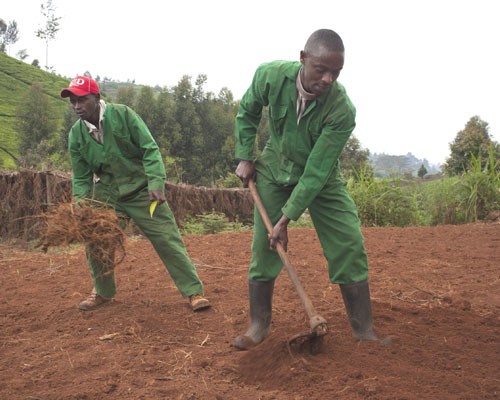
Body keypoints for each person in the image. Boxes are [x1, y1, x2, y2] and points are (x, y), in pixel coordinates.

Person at [233, 29, 382, 349]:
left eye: (336, 72)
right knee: (264, 245)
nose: (329, 79)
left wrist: (286, 219)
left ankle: (363, 330)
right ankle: (258, 324)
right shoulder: (270, 76)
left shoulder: (342, 109)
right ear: (303, 58)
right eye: (321, 69)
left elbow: (316, 172)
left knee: (348, 241)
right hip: (274, 171)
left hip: (322, 179)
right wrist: (245, 155)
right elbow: (247, 111)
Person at [60, 76, 210, 312]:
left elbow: (149, 148)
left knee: (167, 239)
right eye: (73, 102)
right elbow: (80, 177)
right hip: (108, 194)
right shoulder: (76, 134)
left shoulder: (123, 115)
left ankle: (193, 291)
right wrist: (81, 205)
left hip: (142, 190)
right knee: (97, 240)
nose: (77, 106)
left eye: (82, 99)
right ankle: (103, 291)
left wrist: (156, 182)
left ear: (97, 98)